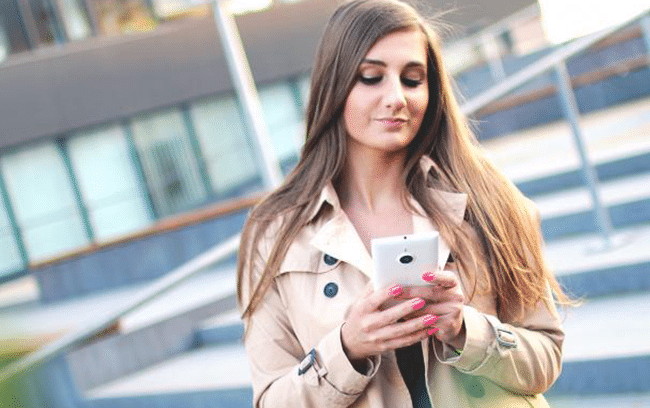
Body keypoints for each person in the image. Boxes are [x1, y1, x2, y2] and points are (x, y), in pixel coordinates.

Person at [236, 0, 568, 407]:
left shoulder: (488, 197)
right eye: (371, 77)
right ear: (334, 86)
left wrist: (467, 329)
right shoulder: (275, 232)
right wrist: (347, 348)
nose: (396, 98)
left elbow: (546, 358)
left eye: (413, 80)